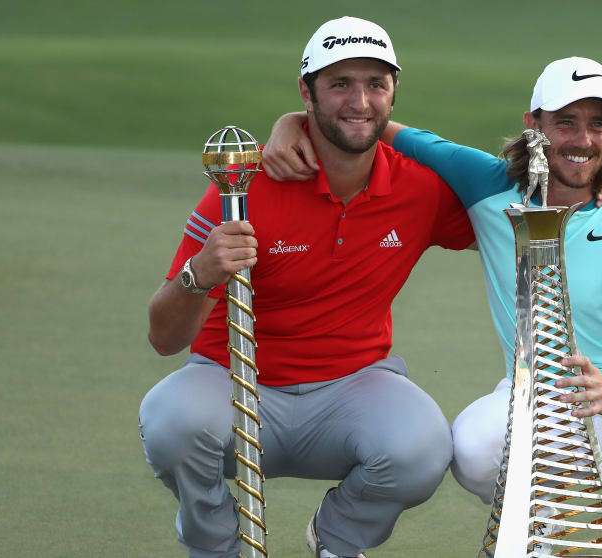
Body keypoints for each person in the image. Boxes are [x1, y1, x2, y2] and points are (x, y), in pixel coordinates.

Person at [263, 56, 602, 557]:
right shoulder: (486, 183)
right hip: (532, 402)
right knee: (472, 449)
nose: (582, 139)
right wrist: (291, 122)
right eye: (565, 122)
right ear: (533, 125)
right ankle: (542, 521)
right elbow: (368, 124)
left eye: (597, 124)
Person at [139, 17, 480, 558]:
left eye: (375, 85)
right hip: (233, 382)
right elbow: (164, 338)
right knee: (170, 422)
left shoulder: (420, 186)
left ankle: (337, 539)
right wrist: (199, 274)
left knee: (422, 447)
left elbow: (518, 210)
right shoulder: (242, 188)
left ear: (394, 92)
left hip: (353, 386)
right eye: (340, 84)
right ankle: (216, 546)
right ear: (307, 92)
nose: (359, 101)